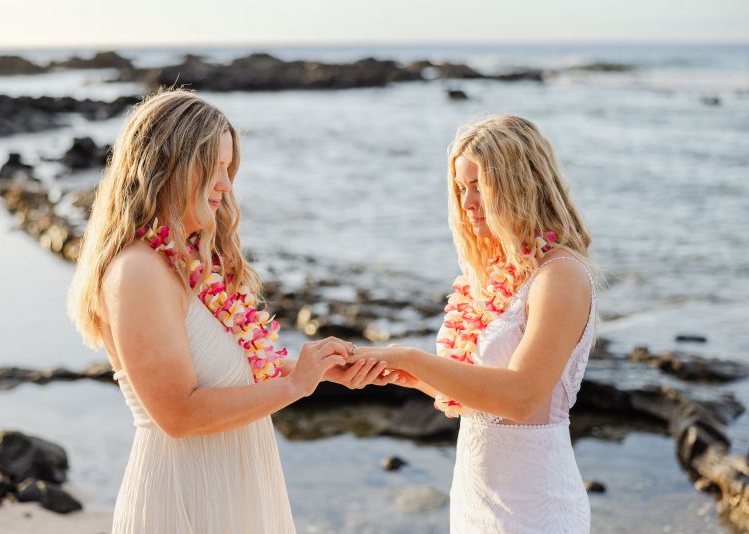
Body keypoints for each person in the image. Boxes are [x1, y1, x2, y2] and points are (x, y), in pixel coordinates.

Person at [67, 88, 388, 533]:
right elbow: (178, 414)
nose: (225, 184)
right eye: (212, 168)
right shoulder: (138, 271)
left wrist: (318, 369)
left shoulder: (187, 263)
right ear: (169, 166)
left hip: (233, 493)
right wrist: (295, 385)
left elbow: (224, 374)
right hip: (185, 500)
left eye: (228, 168)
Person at [355, 115, 596, 533]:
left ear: (520, 184)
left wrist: (410, 357)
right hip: (476, 499)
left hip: (533, 508)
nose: (466, 203)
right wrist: (412, 377)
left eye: (478, 186)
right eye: (460, 188)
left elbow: (521, 398)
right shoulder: (497, 273)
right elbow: (484, 399)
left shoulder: (560, 276)